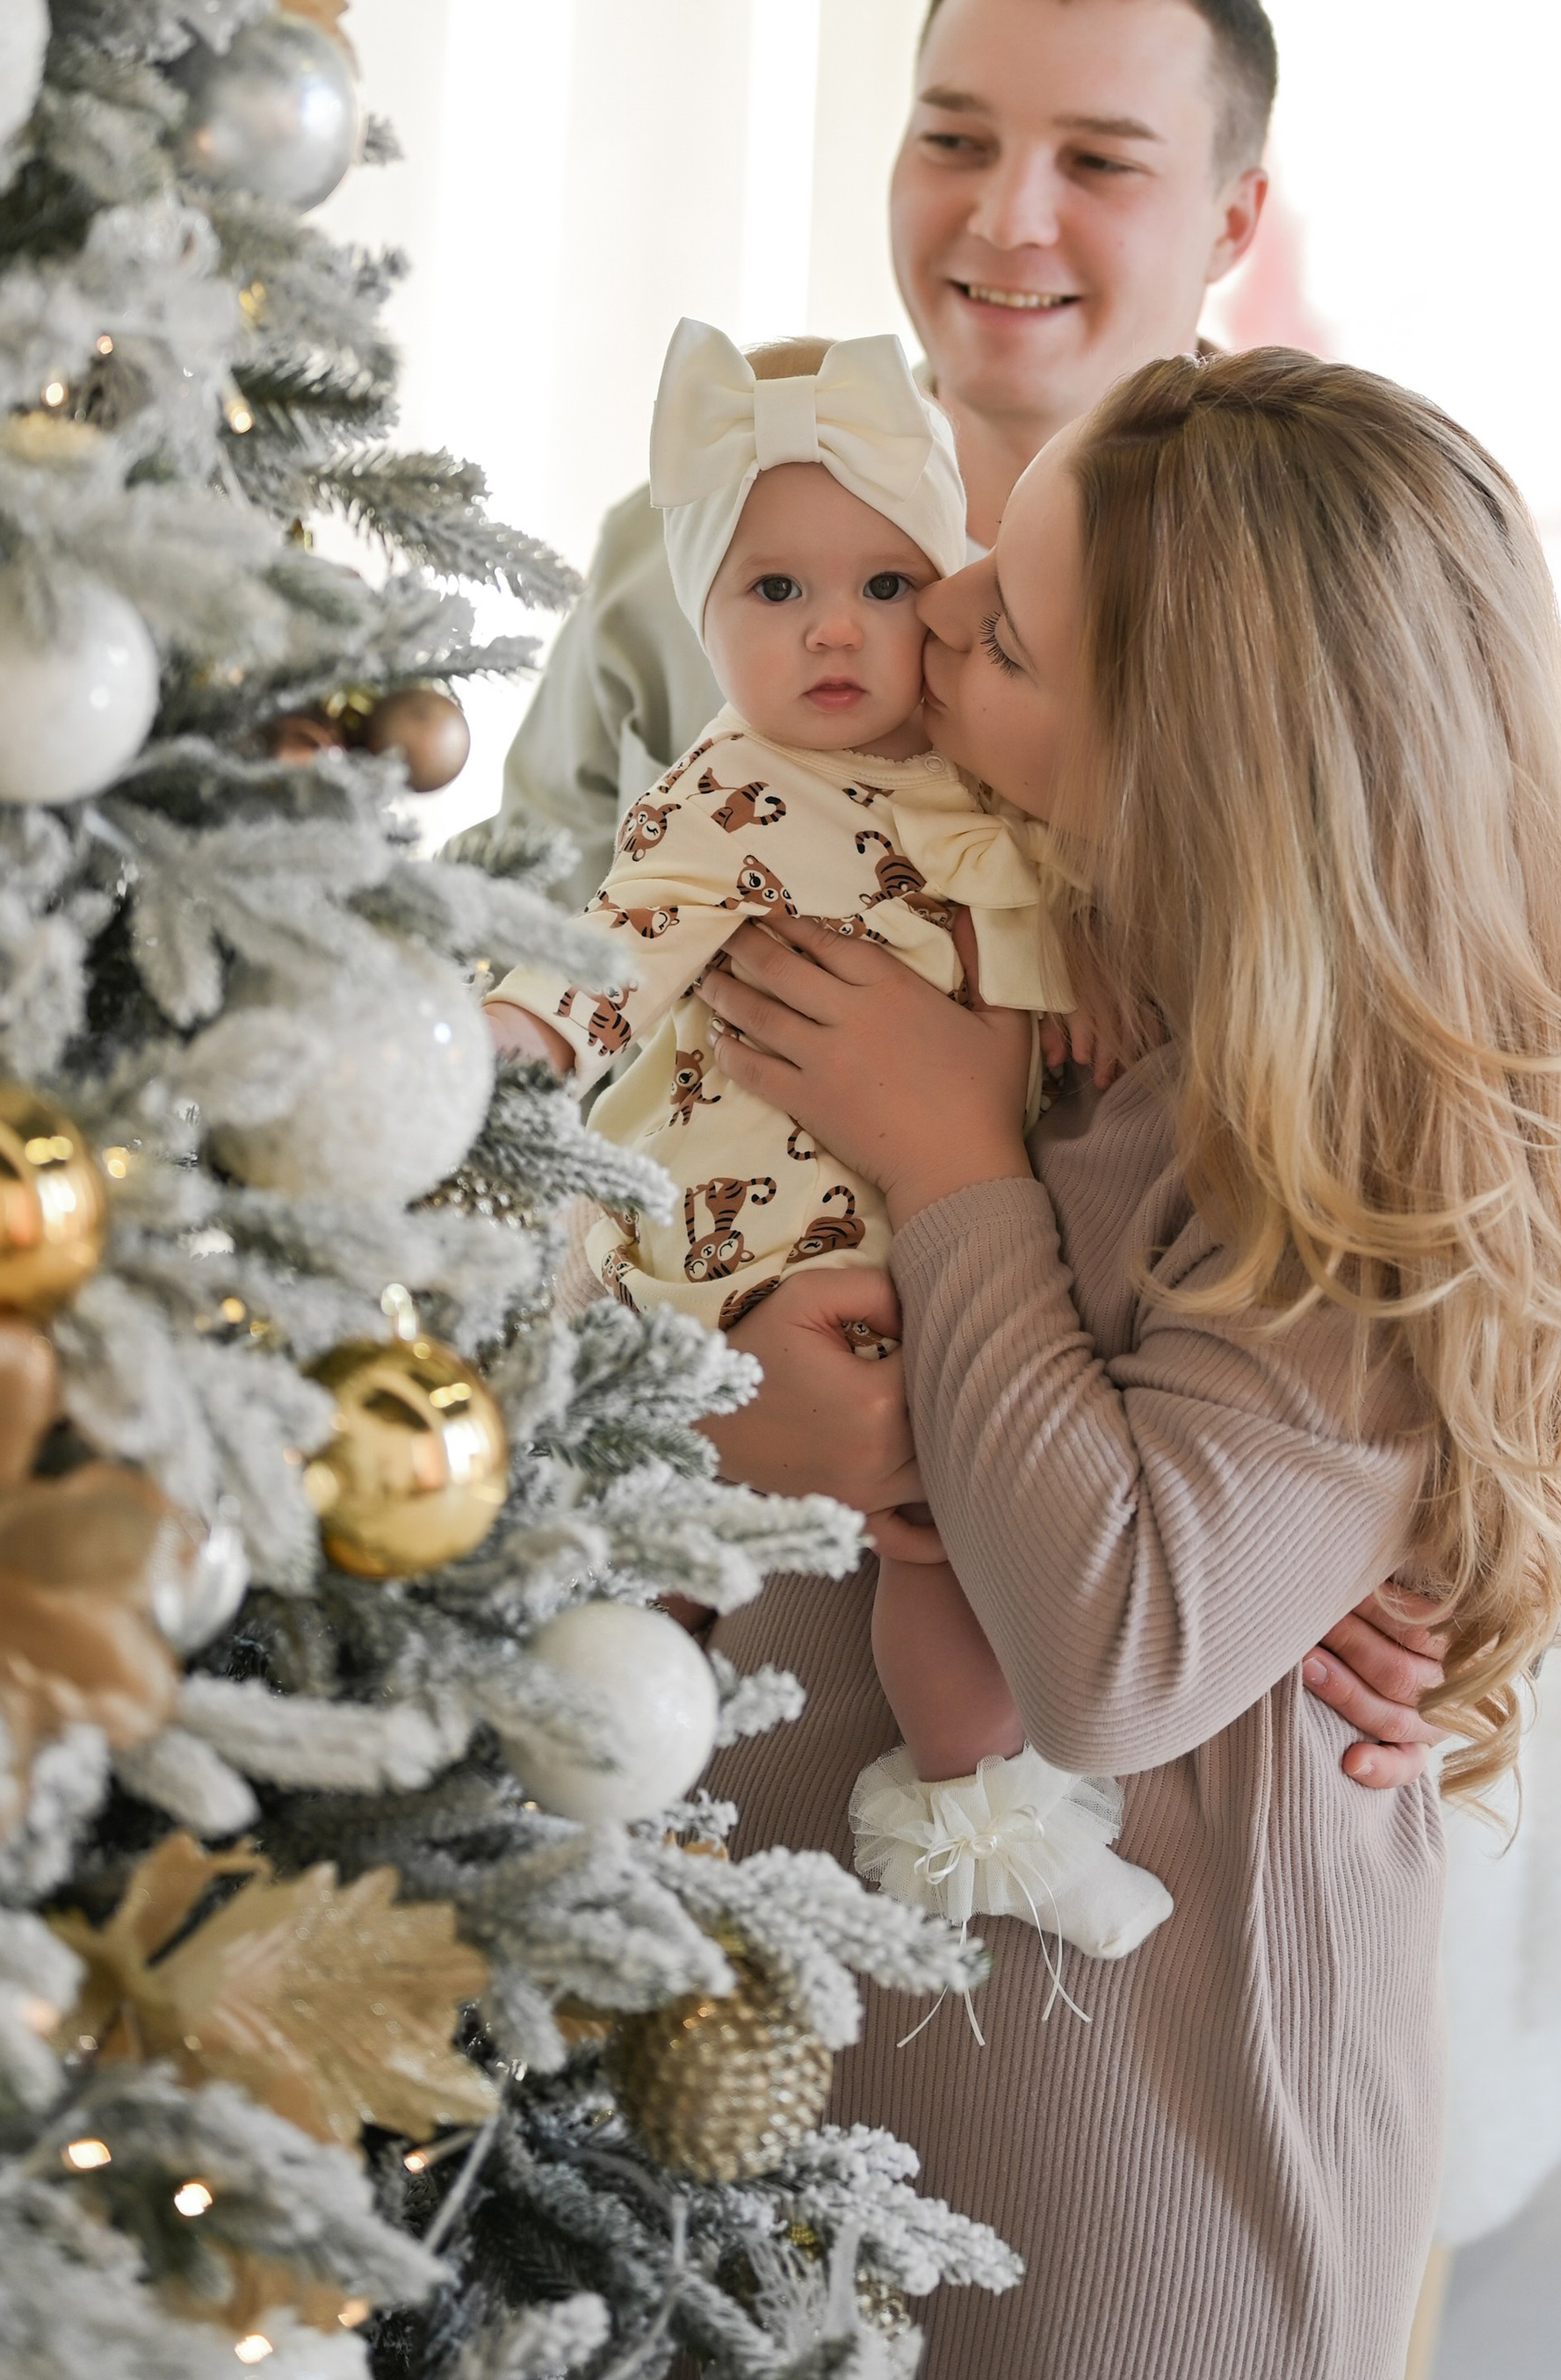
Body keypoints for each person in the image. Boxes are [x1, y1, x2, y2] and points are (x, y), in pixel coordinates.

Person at [687, 348, 1561, 2380]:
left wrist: (944, 1161)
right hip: (828, 2079)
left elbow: (1116, 1644)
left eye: (1003, 632)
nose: (932, 610)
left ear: (1191, 779)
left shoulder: (1323, 1162)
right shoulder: (1008, 941)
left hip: (1134, 2161)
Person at [488, 319, 1169, 1963]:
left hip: (932, 1259)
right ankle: (578, 1819)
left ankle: (981, 1819)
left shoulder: (991, 770)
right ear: (701, 616)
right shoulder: (720, 798)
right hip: (726, 1244)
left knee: (944, 1571)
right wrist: (503, 1039)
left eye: (882, 583)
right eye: (774, 594)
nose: (839, 633)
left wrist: (1079, 974)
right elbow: (613, 947)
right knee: (654, 1584)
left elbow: (1060, 885)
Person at [492, 0, 1273, 906]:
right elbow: (505, 926)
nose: (1006, 219)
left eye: (1100, 163)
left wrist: (979, 1074)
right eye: (954, 140)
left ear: (1232, 221)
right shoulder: (678, 534)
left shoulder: (1316, 588)